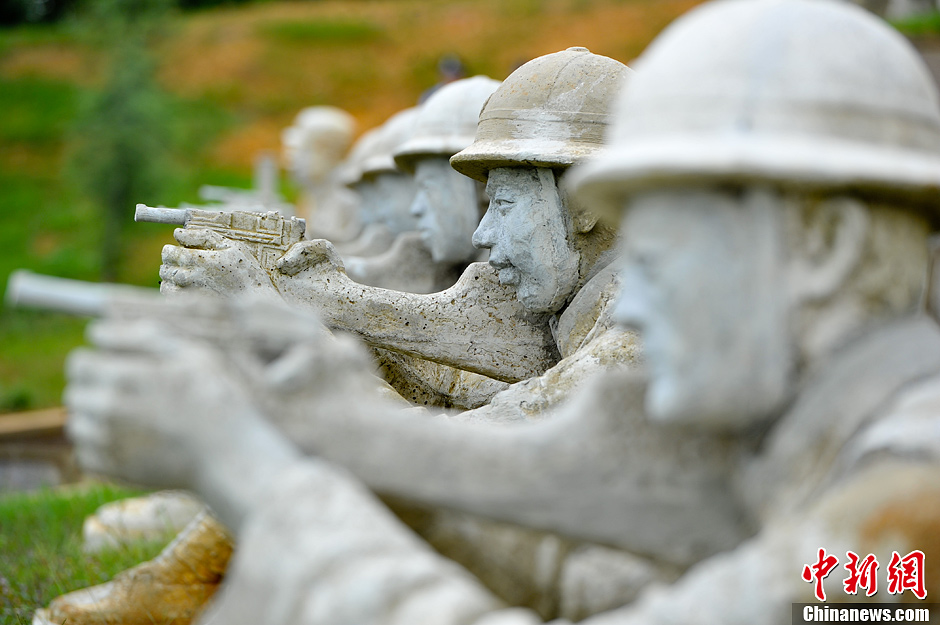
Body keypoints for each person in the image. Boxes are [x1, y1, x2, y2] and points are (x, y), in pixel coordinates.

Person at [60, 1, 940, 623]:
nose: (635, 295)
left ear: (826, 243)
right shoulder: (831, 452)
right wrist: (339, 432)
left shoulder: (901, 522)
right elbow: (588, 582)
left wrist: (263, 474)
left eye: (665, 243)